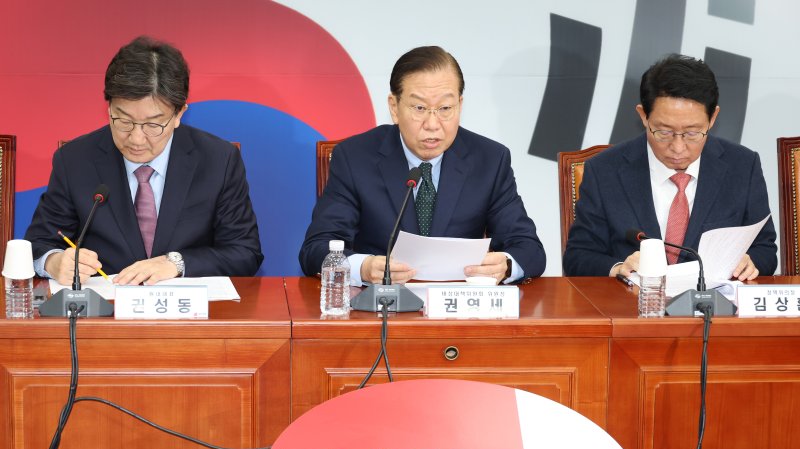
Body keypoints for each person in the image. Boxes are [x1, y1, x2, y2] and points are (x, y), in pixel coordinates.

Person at [25, 36, 263, 286]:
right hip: (105, 307)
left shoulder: (218, 160)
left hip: (186, 307)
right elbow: (39, 244)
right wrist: (54, 262)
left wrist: (177, 263)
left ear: (179, 114)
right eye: (124, 121)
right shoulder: (75, 160)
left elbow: (245, 253)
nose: (136, 139)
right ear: (109, 108)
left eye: (153, 125)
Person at [299, 46, 546, 285]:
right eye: (419, 108)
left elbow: (529, 249)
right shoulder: (355, 157)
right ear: (394, 107)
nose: (432, 124)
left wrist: (506, 265)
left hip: (459, 306)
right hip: (381, 304)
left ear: (460, 105)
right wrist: (363, 268)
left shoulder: (490, 160)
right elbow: (317, 249)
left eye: (445, 108)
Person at [563, 53, 777, 279]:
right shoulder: (604, 171)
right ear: (643, 116)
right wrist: (619, 268)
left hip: (714, 300)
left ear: (713, 118)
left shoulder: (742, 166)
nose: (678, 147)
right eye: (664, 132)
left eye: (692, 133)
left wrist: (749, 261)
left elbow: (765, 249)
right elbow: (578, 256)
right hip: (633, 300)